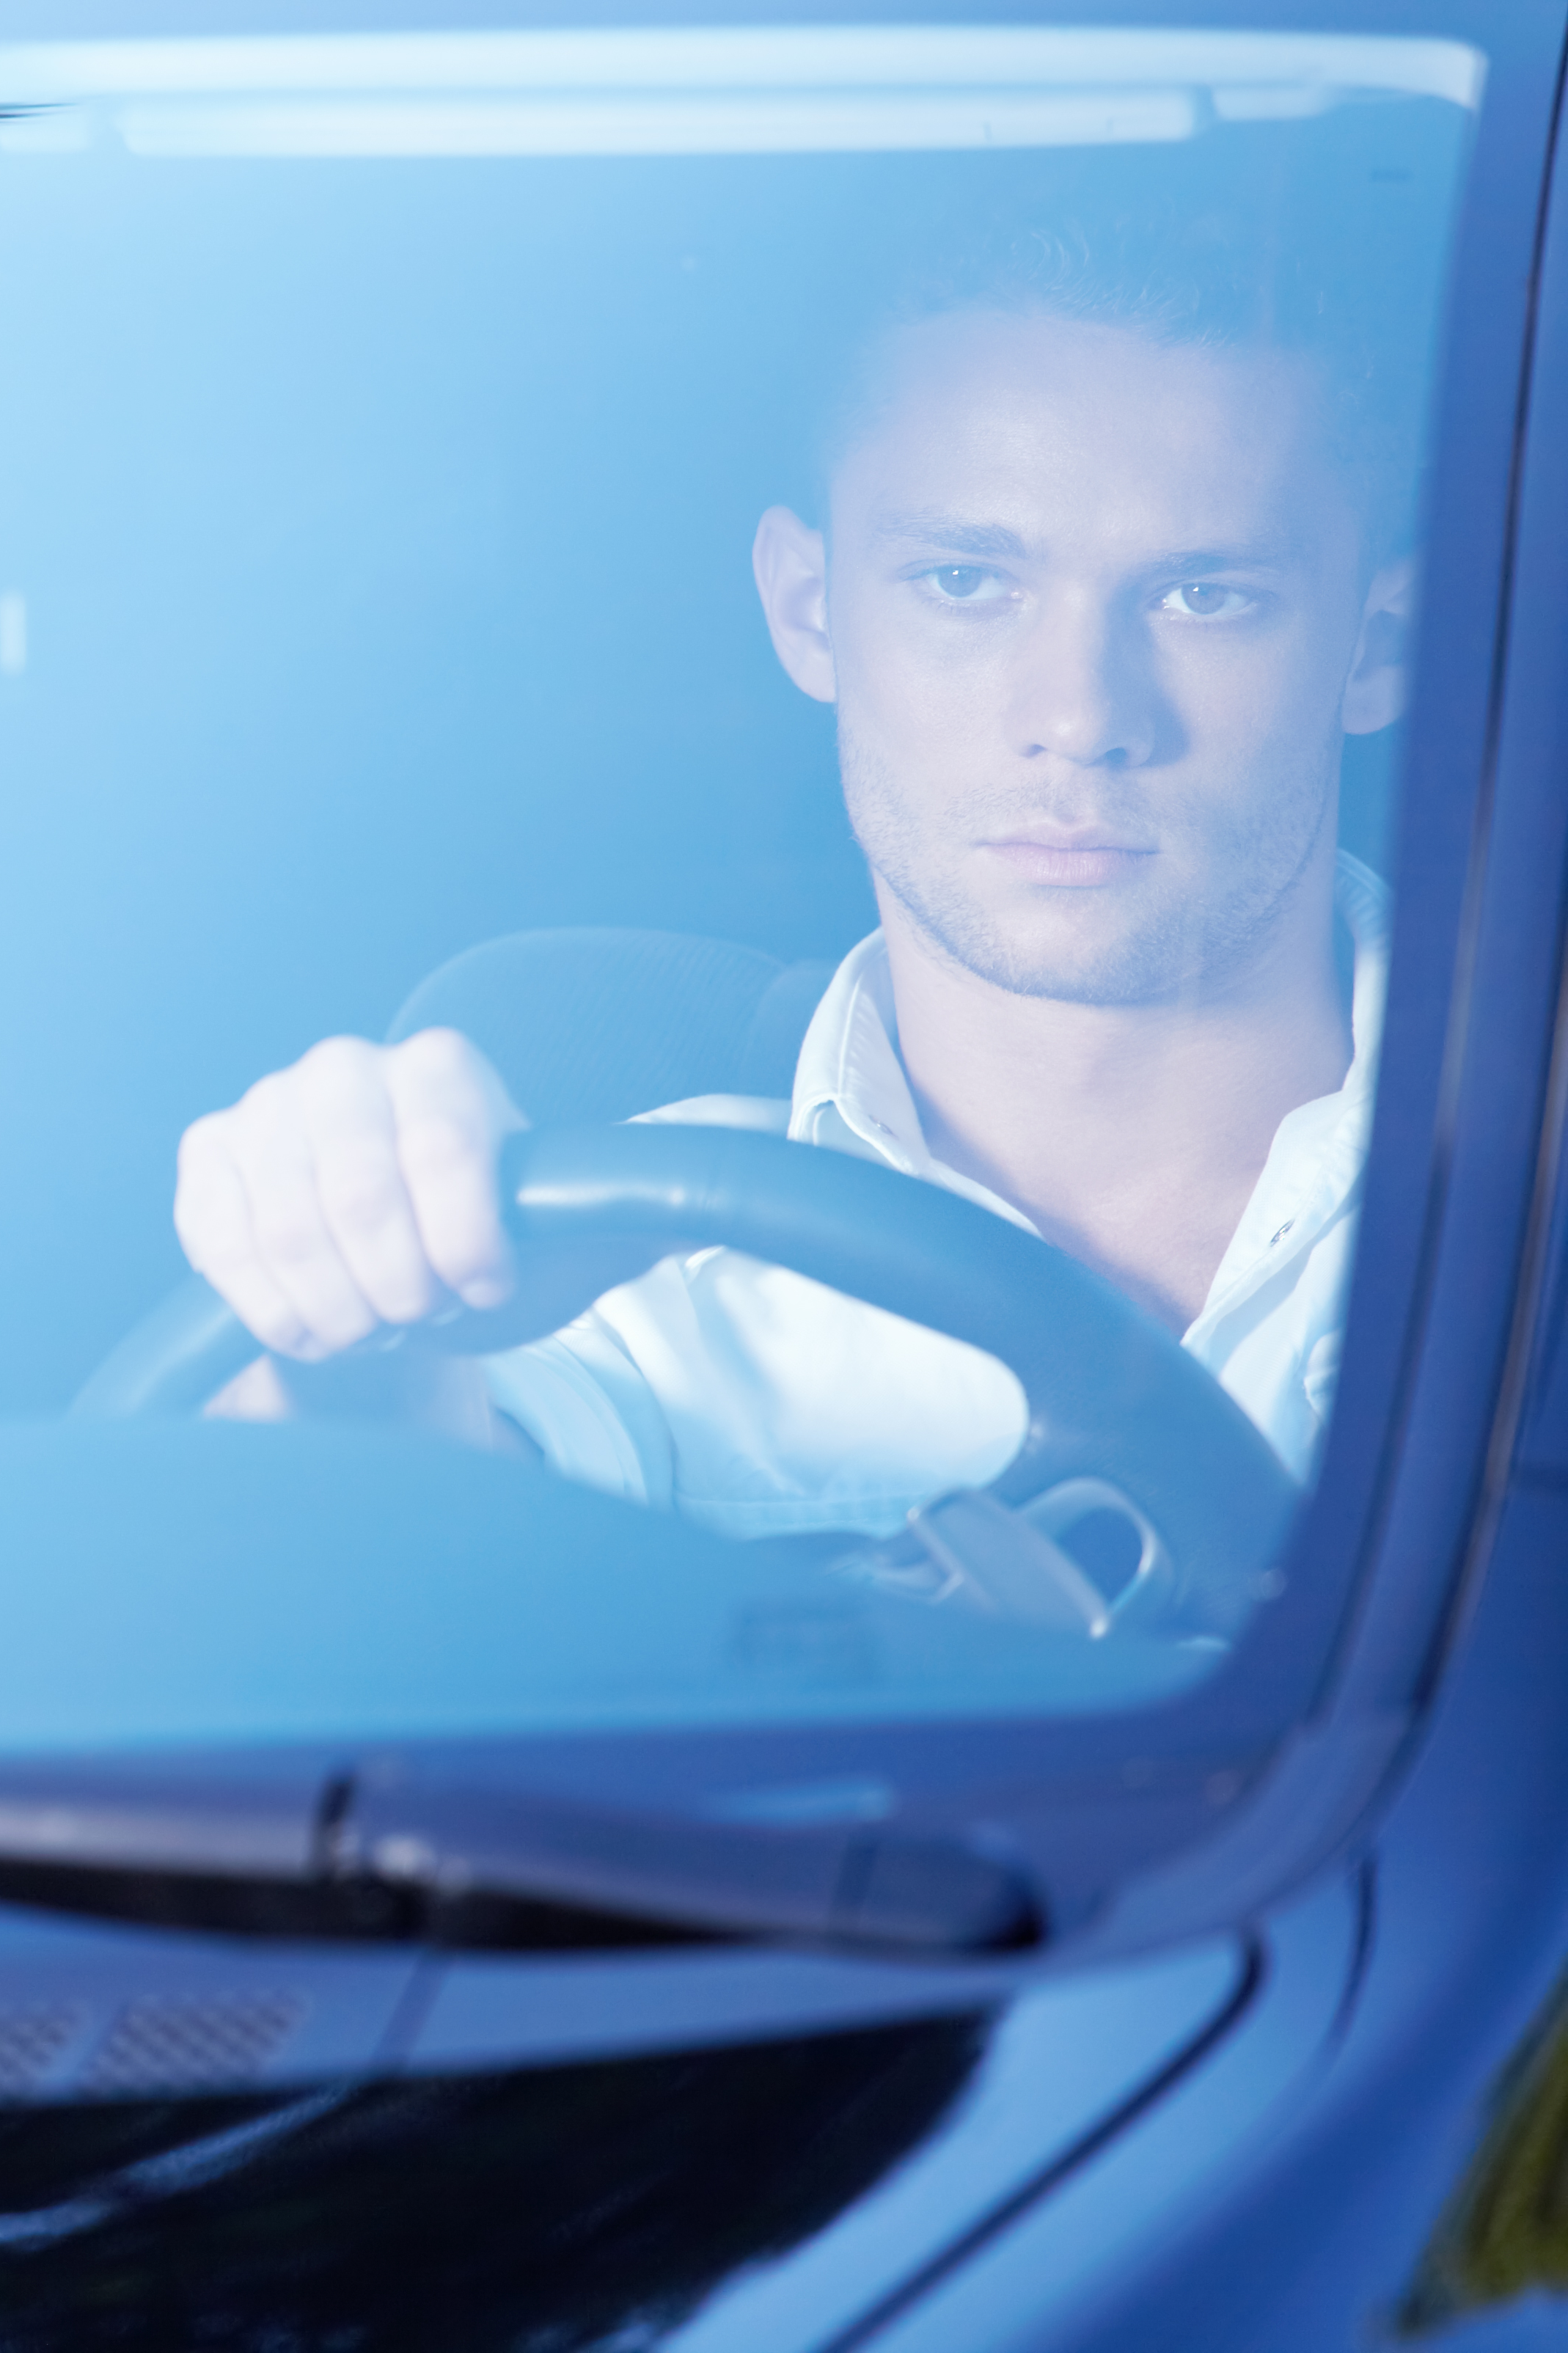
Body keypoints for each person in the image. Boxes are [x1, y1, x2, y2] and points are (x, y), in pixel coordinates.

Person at [168, 249, 1415, 1536]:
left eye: (1205, 596)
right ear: (810, 612)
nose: (1082, 715)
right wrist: (346, 1316)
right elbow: (359, 1572)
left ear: (1376, 643)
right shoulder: (630, 1278)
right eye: (966, 583)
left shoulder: (1529, 1196)